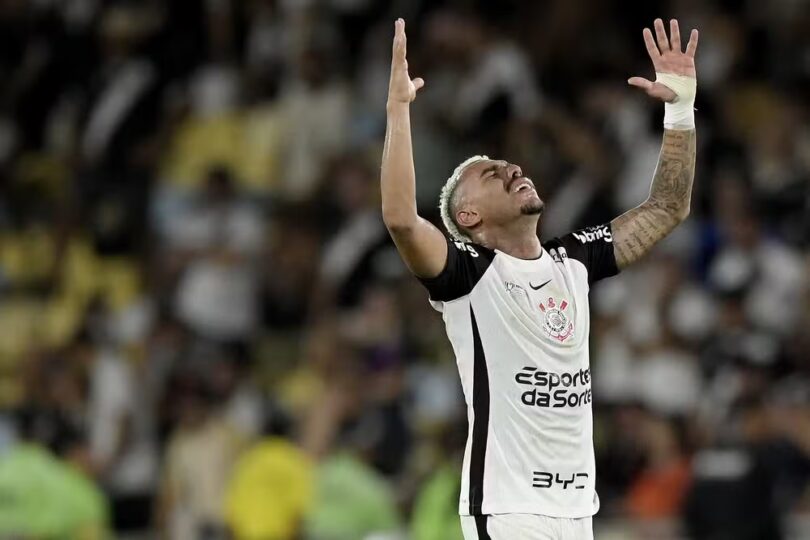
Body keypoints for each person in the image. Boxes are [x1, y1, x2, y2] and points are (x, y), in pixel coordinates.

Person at [381, 17, 699, 540]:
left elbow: (668, 206)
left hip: (576, 513)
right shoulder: (468, 276)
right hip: (509, 511)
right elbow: (399, 218)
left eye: (508, 164)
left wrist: (680, 108)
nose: (512, 169)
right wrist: (398, 112)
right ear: (468, 220)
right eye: (490, 174)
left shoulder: (573, 262)